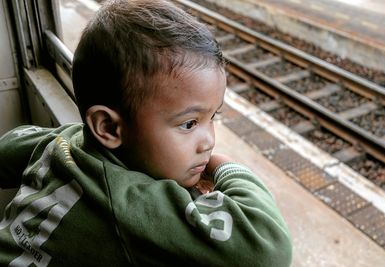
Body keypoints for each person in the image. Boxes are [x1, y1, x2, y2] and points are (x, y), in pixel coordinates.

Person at [0, 0, 292, 266]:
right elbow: (267, 249)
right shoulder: (133, 205)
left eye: (213, 117)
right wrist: (226, 168)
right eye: (189, 124)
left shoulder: (61, 142)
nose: (209, 141)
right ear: (108, 127)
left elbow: (9, 148)